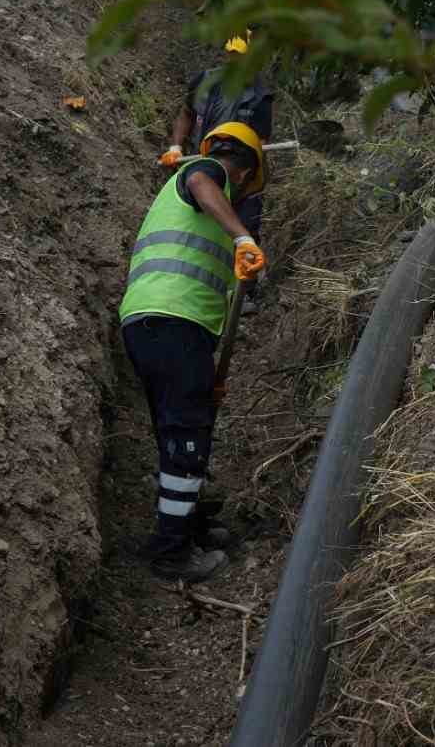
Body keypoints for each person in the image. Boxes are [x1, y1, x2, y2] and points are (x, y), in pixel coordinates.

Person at [120, 121, 267, 582]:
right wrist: (244, 236)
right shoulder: (207, 172)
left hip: (160, 325)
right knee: (186, 434)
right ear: (243, 173)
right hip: (172, 321)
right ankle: (171, 553)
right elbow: (203, 180)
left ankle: (186, 522)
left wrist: (210, 372)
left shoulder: (198, 217)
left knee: (180, 428)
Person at [160, 31, 274, 313]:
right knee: (198, 227)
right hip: (201, 165)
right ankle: (193, 285)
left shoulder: (260, 96)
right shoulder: (204, 81)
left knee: (244, 227)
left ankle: (242, 294)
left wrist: (243, 172)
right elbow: (186, 113)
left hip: (241, 175)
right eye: (232, 55)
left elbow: (261, 142)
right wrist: (176, 145)